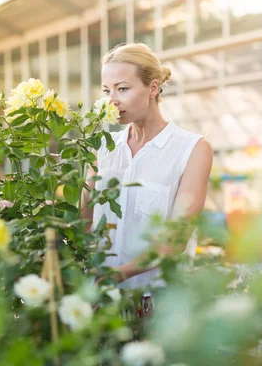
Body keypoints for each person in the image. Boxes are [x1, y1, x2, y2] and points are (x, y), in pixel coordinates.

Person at [81, 43, 213, 293]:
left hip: (157, 303)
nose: (112, 101)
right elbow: (84, 221)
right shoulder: (103, 148)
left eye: (122, 89)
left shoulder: (192, 149)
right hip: (101, 299)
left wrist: (118, 275)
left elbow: (176, 239)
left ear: (153, 87)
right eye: (106, 90)